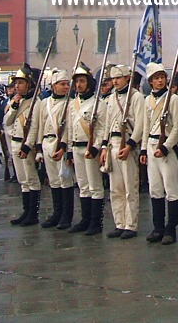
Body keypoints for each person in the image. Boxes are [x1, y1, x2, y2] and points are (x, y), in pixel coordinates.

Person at [141, 62, 178, 245]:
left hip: (167, 148)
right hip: (151, 145)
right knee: (155, 189)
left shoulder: (173, 99)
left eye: (162, 77)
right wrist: (144, 148)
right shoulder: (147, 100)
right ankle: (158, 227)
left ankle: (171, 228)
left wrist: (165, 147)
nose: (160, 80)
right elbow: (145, 127)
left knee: (171, 189)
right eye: (156, 78)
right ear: (151, 81)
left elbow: (177, 128)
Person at [100, 65, 144, 240]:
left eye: (119, 78)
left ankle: (131, 225)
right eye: (113, 79)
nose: (115, 81)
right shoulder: (111, 98)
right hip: (113, 143)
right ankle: (119, 223)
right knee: (116, 188)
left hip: (128, 144)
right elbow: (107, 124)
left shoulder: (136, 97)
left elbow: (140, 123)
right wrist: (104, 146)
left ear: (127, 77)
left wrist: (131, 145)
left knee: (130, 188)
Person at [28, 68, 76, 230]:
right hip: (47, 142)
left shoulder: (70, 104)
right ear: (53, 85)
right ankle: (57, 213)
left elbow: (69, 128)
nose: (65, 87)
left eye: (67, 84)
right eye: (62, 84)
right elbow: (40, 125)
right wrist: (40, 149)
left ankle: (66, 216)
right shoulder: (44, 103)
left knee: (65, 181)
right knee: (54, 181)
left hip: (60, 143)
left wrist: (64, 146)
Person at [68, 63, 107, 235]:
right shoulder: (72, 104)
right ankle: (85, 219)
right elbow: (70, 128)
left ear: (89, 83)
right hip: (77, 147)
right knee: (83, 185)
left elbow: (102, 129)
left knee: (95, 186)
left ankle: (95, 222)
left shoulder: (98, 104)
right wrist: (70, 149)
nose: (79, 85)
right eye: (77, 82)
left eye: (82, 81)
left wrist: (96, 147)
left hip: (90, 149)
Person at [6, 64, 43, 227]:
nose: (17, 86)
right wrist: (14, 105)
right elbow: (6, 121)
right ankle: (25, 211)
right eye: (16, 83)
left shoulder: (35, 102)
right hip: (15, 142)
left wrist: (27, 146)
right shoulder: (16, 102)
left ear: (29, 84)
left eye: (20, 83)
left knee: (32, 180)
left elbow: (34, 126)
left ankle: (33, 214)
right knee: (23, 180)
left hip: (25, 145)